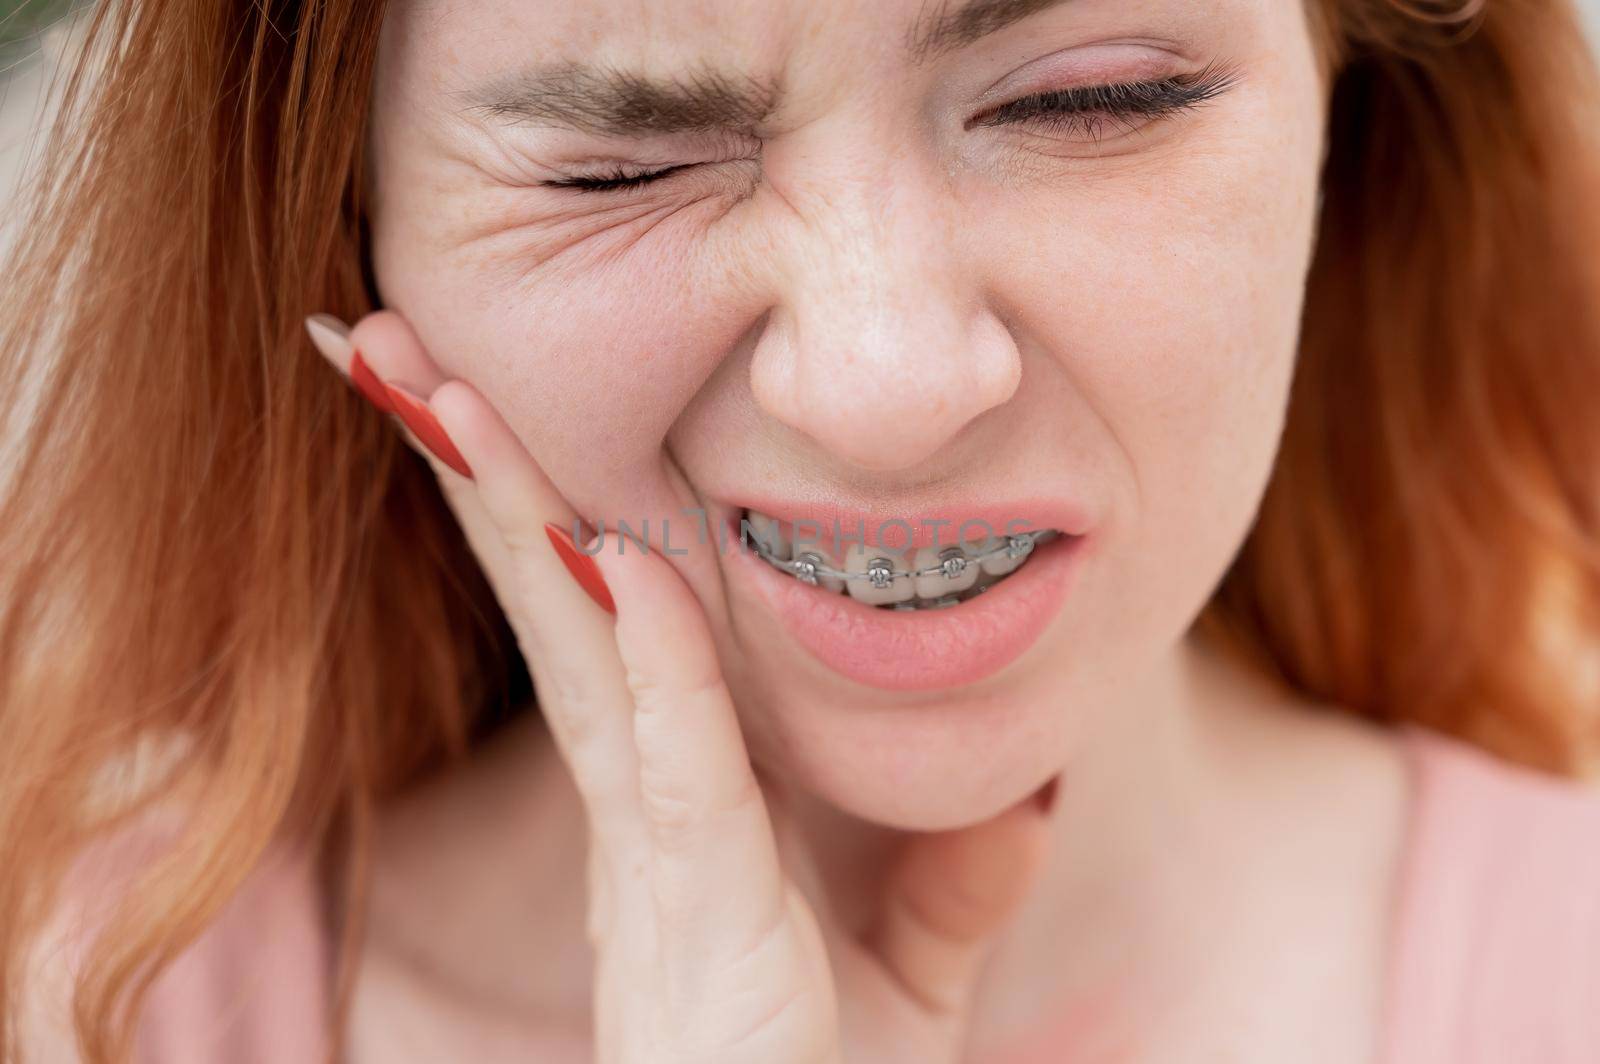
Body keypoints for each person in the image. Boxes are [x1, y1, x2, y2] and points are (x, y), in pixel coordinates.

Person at [4, 0, 1600, 1060]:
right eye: (620, 166)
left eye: (1096, 99)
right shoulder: (93, 1006)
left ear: (1353, 90)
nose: (884, 383)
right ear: (347, 216)